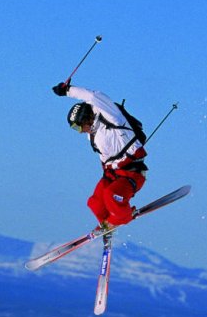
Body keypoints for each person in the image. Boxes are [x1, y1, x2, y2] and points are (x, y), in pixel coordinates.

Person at [52, 80, 147, 229]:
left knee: (111, 196)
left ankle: (121, 217)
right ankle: (106, 226)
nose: (80, 131)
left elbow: (92, 96)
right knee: (94, 203)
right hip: (113, 174)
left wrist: (68, 91)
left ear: (86, 118)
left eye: (79, 126)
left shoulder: (111, 116)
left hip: (132, 172)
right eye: (75, 129)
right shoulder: (92, 135)